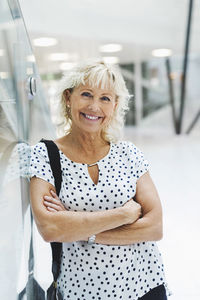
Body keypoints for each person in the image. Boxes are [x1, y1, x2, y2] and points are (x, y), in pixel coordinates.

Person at [30, 59, 170, 300]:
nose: (95, 106)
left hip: (144, 285)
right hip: (82, 291)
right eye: (86, 94)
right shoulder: (44, 154)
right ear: (68, 97)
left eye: (105, 98)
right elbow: (51, 228)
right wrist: (123, 215)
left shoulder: (129, 153)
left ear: (115, 105)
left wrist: (77, 227)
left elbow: (155, 228)